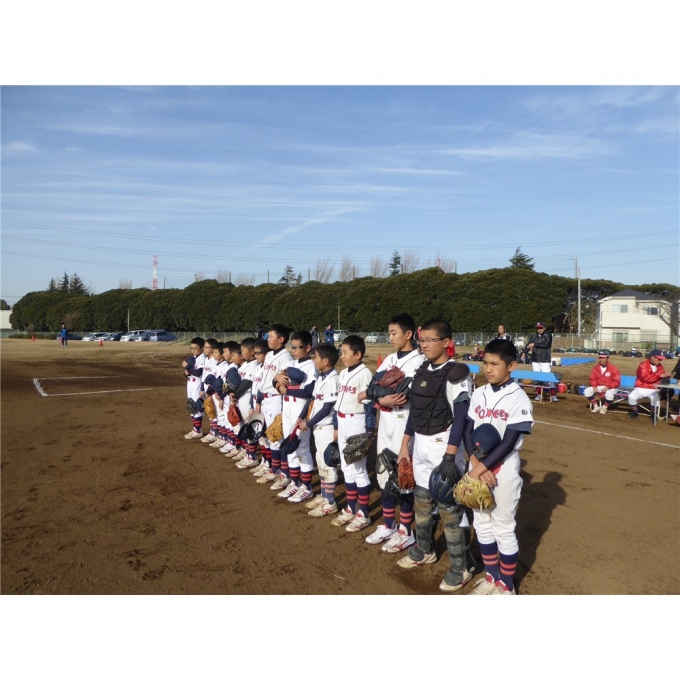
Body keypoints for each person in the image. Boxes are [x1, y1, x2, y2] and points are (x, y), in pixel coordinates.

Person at [395, 319, 474, 593]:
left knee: (450, 510)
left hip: (444, 445)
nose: (425, 345)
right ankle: (424, 549)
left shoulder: (457, 374)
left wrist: (451, 457)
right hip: (421, 444)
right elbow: (416, 411)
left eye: (431, 340)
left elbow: (462, 417)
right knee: (422, 501)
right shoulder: (421, 370)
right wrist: (405, 444)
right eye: (423, 340)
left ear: (446, 342)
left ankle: (461, 567)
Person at [464, 338, 534, 595]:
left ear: (511, 366)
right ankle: (492, 577)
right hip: (476, 464)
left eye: (495, 364)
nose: (488, 369)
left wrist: (478, 470)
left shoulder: (518, 398)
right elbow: (467, 430)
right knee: (482, 523)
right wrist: (475, 463)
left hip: (503, 467)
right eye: (485, 363)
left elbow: (508, 443)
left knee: (503, 526)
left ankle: (506, 586)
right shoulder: (479, 393)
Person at [359, 313, 424, 553]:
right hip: (385, 420)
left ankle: (405, 531)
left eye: (394, 333)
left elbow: (404, 392)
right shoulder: (389, 359)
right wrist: (381, 397)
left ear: (408, 334)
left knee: (403, 475)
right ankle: (388, 525)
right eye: (389, 332)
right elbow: (372, 387)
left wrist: (378, 393)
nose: (390, 337)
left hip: (403, 421)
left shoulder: (419, 361)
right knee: (384, 472)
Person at [330, 335, 374, 533]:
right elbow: (339, 402)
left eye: (345, 352)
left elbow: (370, 405)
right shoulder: (343, 373)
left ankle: (363, 514)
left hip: (357, 421)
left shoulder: (365, 374)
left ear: (357, 354)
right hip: (343, 420)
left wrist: (369, 431)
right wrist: (336, 426)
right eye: (341, 352)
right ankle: (351, 509)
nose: (342, 356)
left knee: (358, 468)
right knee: (347, 468)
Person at [272, 330, 317, 501]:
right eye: (292, 347)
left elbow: (309, 391)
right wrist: (277, 378)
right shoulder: (291, 363)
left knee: (301, 447)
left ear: (308, 347)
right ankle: (294, 483)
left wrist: (286, 390)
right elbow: (275, 382)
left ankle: (307, 487)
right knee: (289, 445)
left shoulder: (311, 366)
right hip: (288, 406)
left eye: (297, 347)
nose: (294, 350)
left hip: (300, 407)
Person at [300, 343, 340, 516]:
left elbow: (326, 409)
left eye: (315, 356)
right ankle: (324, 496)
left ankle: (330, 502)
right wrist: (301, 417)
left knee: (328, 465)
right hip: (318, 427)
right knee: (321, 462)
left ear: (325, 361)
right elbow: (312, 400)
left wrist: (308, 424)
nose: (313, 359)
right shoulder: (322, 377)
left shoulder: (333, 379)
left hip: (327, 428)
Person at [255, 324, 293, 484]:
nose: (268, 339)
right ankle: (274, 468)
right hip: (266, 398)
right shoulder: (269, 354)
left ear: (281, 339)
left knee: (277, 435)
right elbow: (265, 379)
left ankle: (282, 472)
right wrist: (259, 399)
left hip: (277, 399)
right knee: (271, 436)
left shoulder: (286, 357)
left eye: (271, 336)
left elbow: (286, 381)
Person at [627, 349, 670, 420]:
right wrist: (659, 376)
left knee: (655, 399)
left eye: (661, 359)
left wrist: (667, 376)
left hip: (654, 387)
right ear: (652, 357)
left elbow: (662, 376)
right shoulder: (643, 365)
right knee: (631, 397)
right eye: (659, 358)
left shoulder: (660, 366)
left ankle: (654, 414)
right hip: (641, 387)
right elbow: (645, 378)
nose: (660, 360)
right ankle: (634, 412)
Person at [525, 322, 557, 403]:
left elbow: (546, 344)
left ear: (544, 328)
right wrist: (524, 352)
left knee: (547, 378)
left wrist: (534, 344)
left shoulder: (548, 335)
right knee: (537, 379)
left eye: (540, 328)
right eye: (537, 328)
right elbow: (528, 345)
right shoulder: (534, 336)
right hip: (535, 360)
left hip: (545, 360)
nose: (539, 329)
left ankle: (553, 394)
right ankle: (539, 394)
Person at [183, 336, 207, 439]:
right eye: (192, 348)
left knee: (197, 407)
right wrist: (187, 373)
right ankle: (195, 429)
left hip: (197, 384)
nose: (193, 350)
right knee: (191, 405)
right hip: (190, 384)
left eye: (196, 348)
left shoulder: (202, 358)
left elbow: (198, 373)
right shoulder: (194, 358)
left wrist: (187, 367)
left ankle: (198, 430)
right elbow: (192, 373)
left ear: (202, 348)